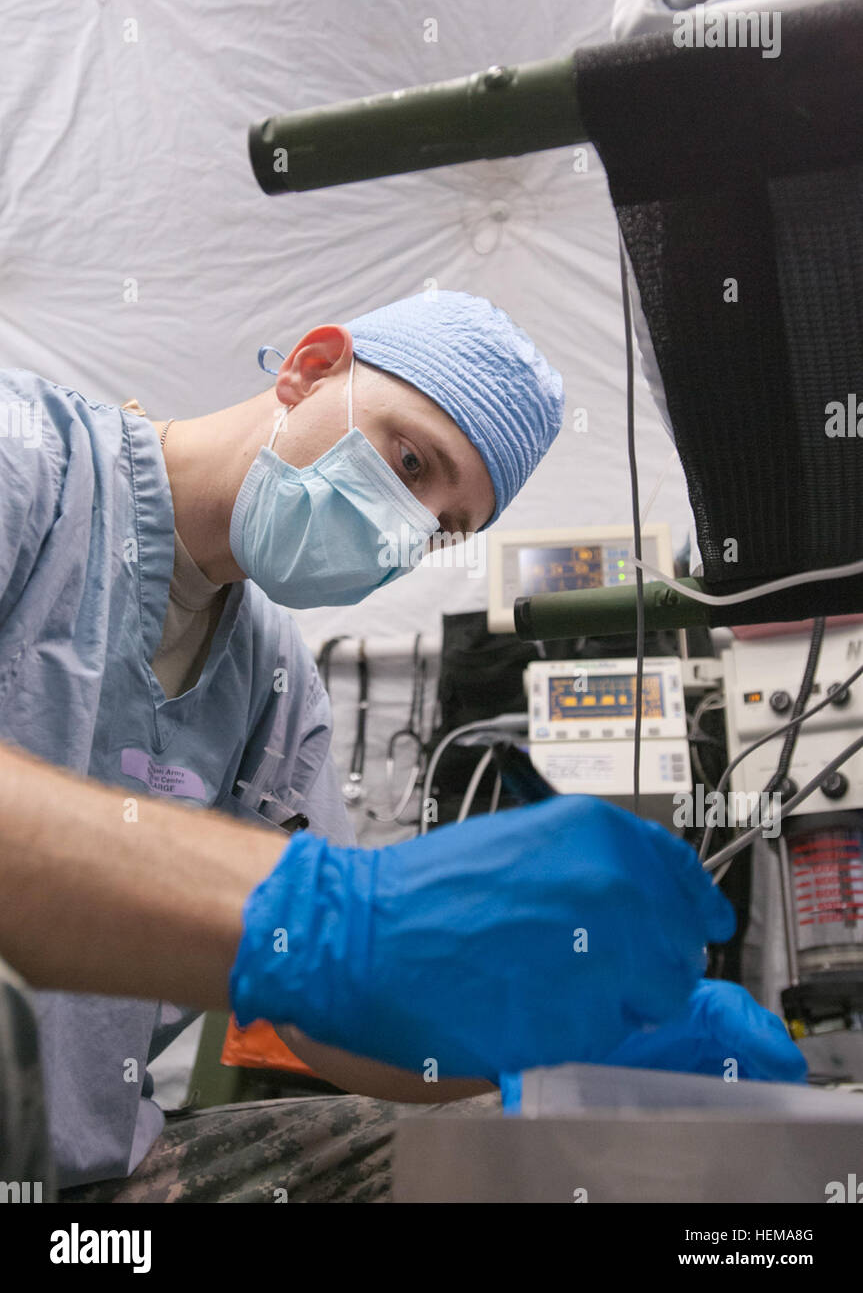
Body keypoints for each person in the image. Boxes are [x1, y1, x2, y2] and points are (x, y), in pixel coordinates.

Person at [0, 290, 804, 1203]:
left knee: (525, 1163)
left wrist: (573, 1039)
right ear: (310, 367)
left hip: (78, 1182)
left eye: (441, 529)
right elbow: (318, 931)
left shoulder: (273, 685)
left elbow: (328, 1026)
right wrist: (335, 915)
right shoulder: (29, 464)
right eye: (410, 461)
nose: (404, 526)